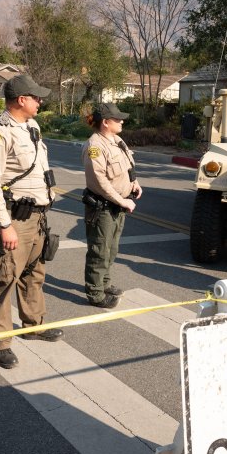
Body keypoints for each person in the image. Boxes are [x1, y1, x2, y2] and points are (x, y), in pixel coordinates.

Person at [0, 74, 63, 369]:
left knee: (33, 275)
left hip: (36, 216)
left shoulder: (32, 126)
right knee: (4, 279)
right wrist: (4, 225)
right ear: (21, 100)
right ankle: (0, 342)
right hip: (14, 218)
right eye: (36, 97)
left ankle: (33, 325)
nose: (40, 102)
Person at [81, 103, 142, 308]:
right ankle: (95, 293)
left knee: (112, 248)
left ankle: (104, 283)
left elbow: (127, 167)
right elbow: (99, 181)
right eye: (117, 119)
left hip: (118, 205)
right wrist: (122, 200)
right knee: (99, 249)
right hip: (104, 206)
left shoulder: (117, 140)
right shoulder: (95, 146)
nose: (122, 121)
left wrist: (134, 184)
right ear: (105, 122)